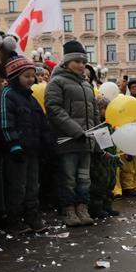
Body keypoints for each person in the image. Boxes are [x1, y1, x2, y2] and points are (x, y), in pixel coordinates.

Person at [0, 55, 51, 234]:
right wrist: (13, 144)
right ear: (15, 76)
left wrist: (45, 144)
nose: (31, 80)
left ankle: (32, 216)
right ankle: (15, 219)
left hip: (32, 149)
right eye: (26, 76)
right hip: (16, 150)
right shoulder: (7, 95)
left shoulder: (31, 99)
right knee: (17, 186)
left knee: (33, 185)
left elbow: (41, 123)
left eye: (33, 75)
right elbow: (4, 122)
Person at [44, 40, 98, 227]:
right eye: (77, 61)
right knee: (68, 177)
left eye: (84, 62)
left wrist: (96, 134)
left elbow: (94, 112)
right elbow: (54, 109)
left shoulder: (87, 85)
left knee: (84, 178)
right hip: (67, 140)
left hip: (86, 141)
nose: (82, 65)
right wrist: (76, 131)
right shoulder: (57, 82)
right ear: (67, 62)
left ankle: (82, 207)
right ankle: (68, 209)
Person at [88, 96, 120, 218]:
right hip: (99, 159)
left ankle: (107, 205)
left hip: (111, 159)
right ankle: (96, 208)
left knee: (110, 182)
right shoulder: (96, 125)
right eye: (105, 108)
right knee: (99, 183)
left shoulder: (109, 124)